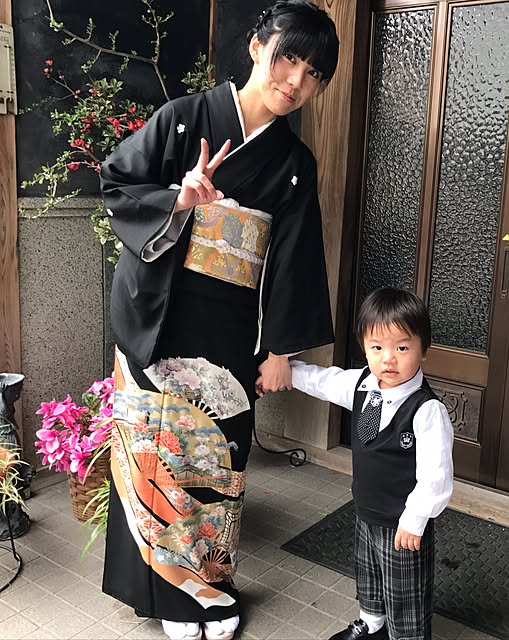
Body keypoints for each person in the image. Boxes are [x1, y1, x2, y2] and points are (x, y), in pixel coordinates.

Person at [99, 3, 339, 639]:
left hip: (230, 330)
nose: (295, 80)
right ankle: (168, 599)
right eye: (289, 58)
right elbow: (118, 183)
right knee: (153, 456)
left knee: (218, 462)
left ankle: (209, 586)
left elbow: (293, 260)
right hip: (159, 317)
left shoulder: (295, 163)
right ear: (258, 46)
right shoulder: (183, 118)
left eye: (313, 73)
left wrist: (281, 349)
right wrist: (177, 199)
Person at [284, 288, 454, 640]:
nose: (388, 359)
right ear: (364, 347)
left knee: (405, 590)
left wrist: (415, 519)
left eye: (402, 348)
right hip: (366, 510)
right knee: (370, 573)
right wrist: (285, 371)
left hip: (402, 524)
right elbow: (324, 381)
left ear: (423, 350)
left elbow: (436, 477)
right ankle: (372, 623)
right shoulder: (362, 385)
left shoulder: (426, 410)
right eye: (377, 347)